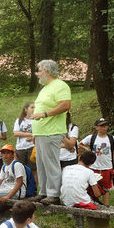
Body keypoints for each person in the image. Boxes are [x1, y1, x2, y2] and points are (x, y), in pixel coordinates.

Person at [30, 59, 71, 205]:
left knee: (50, 163)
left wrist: (44, 114)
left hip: (51, 132)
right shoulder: (45, 88)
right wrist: (35, 133)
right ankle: (44, 192)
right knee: (41, 163)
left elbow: (65, 105)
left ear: (47, 71)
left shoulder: (60, 85)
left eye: (39, 70)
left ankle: (54, 194)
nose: (37, 74)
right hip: (41, 133)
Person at [78, 118, 114, 206]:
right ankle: (91, 204)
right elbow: (80, 143)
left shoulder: (111, 139)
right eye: (102, 126)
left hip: (107, 167)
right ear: (96, 127)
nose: (104, 128)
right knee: (91, 187)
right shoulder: (92, 138)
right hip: (93, 167)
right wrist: (87, 149)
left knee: (106, 188)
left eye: (106, 125)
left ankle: (106, 206)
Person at [13, 102, 37, 181]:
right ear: (26, 109)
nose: (34, 109)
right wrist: (29, 134)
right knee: (20, 170)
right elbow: (16, 133)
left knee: (33, 169)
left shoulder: (36, 120)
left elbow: (38, 133)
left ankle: (34, 189)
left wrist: (33, 136)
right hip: (20, 148)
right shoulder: (19, 120)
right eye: (32, 107)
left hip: (31, 147)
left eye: (34, 107)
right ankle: (22, 188)